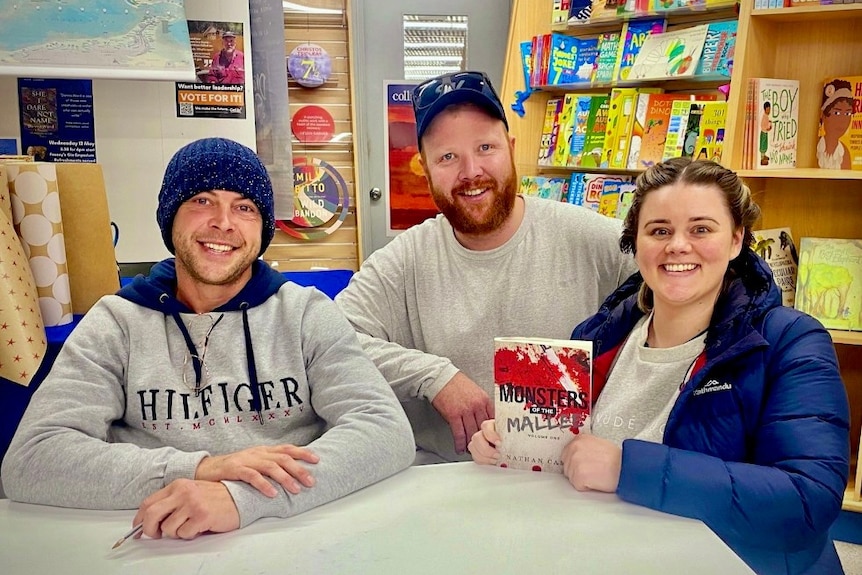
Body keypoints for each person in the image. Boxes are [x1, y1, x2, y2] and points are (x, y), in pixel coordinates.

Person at [1, 137, 415, 541]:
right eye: (202, 200)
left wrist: (240, 498)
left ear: (263, 227)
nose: (224, 222)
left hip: (296, 536)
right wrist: (201, 468)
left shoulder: (305, 313)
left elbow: (384, 430)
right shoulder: (117, 322)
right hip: (157, 543)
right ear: (170, 216)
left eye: (245, 207)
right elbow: (32, 459)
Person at [469, 158, 850, 575]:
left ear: (737, 239)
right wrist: (512, 445)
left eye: (701, 229)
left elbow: (806, 501)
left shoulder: (789, 340)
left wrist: (628, 469)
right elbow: (565, 456)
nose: (678, 246)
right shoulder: (597, 336)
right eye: (659, 230)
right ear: (637, 241)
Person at [335, 71, 637, 463]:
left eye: (485, 147)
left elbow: (687, 290)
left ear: (511, 148)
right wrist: (432, 375)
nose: (471, 171)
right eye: (447, 157)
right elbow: (330, 342)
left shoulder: (592, 239)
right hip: (446, 481)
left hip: (573, 483)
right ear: (424, 169)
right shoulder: (404, 261)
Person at [817, 78, 853, 170]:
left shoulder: (844, 154)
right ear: (824, 115)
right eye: (837, 113)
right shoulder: (815, 147)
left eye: (847, 114)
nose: (842, 120)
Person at [759, 101, 772, 166]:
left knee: (765, 144)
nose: (769, 111)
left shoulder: (766, 116)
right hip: (764, 132)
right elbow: (762, 125)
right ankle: (762, 157)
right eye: (767, 109)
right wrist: (767, 128)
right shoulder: (764, 116)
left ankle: (764, 156)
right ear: (765, 109)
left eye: (769, 109)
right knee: (763, 145)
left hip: (765, 132)